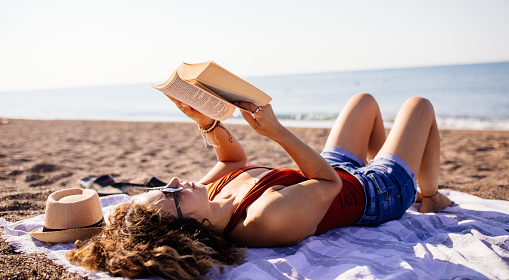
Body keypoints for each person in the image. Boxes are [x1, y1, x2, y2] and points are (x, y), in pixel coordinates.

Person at [67, 93, 452, 279]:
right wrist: (277, 130)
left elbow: (233, 161)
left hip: (338, 169)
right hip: (377, 193)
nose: (172, 181)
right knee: (419, 106)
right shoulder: (264, 221)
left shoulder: (206, 199)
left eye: (163, 186)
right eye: (171, 194)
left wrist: (206, 122)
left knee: (363, 101)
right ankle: (429, 196)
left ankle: (391, 154)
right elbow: (328, 184)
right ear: (190, 228)